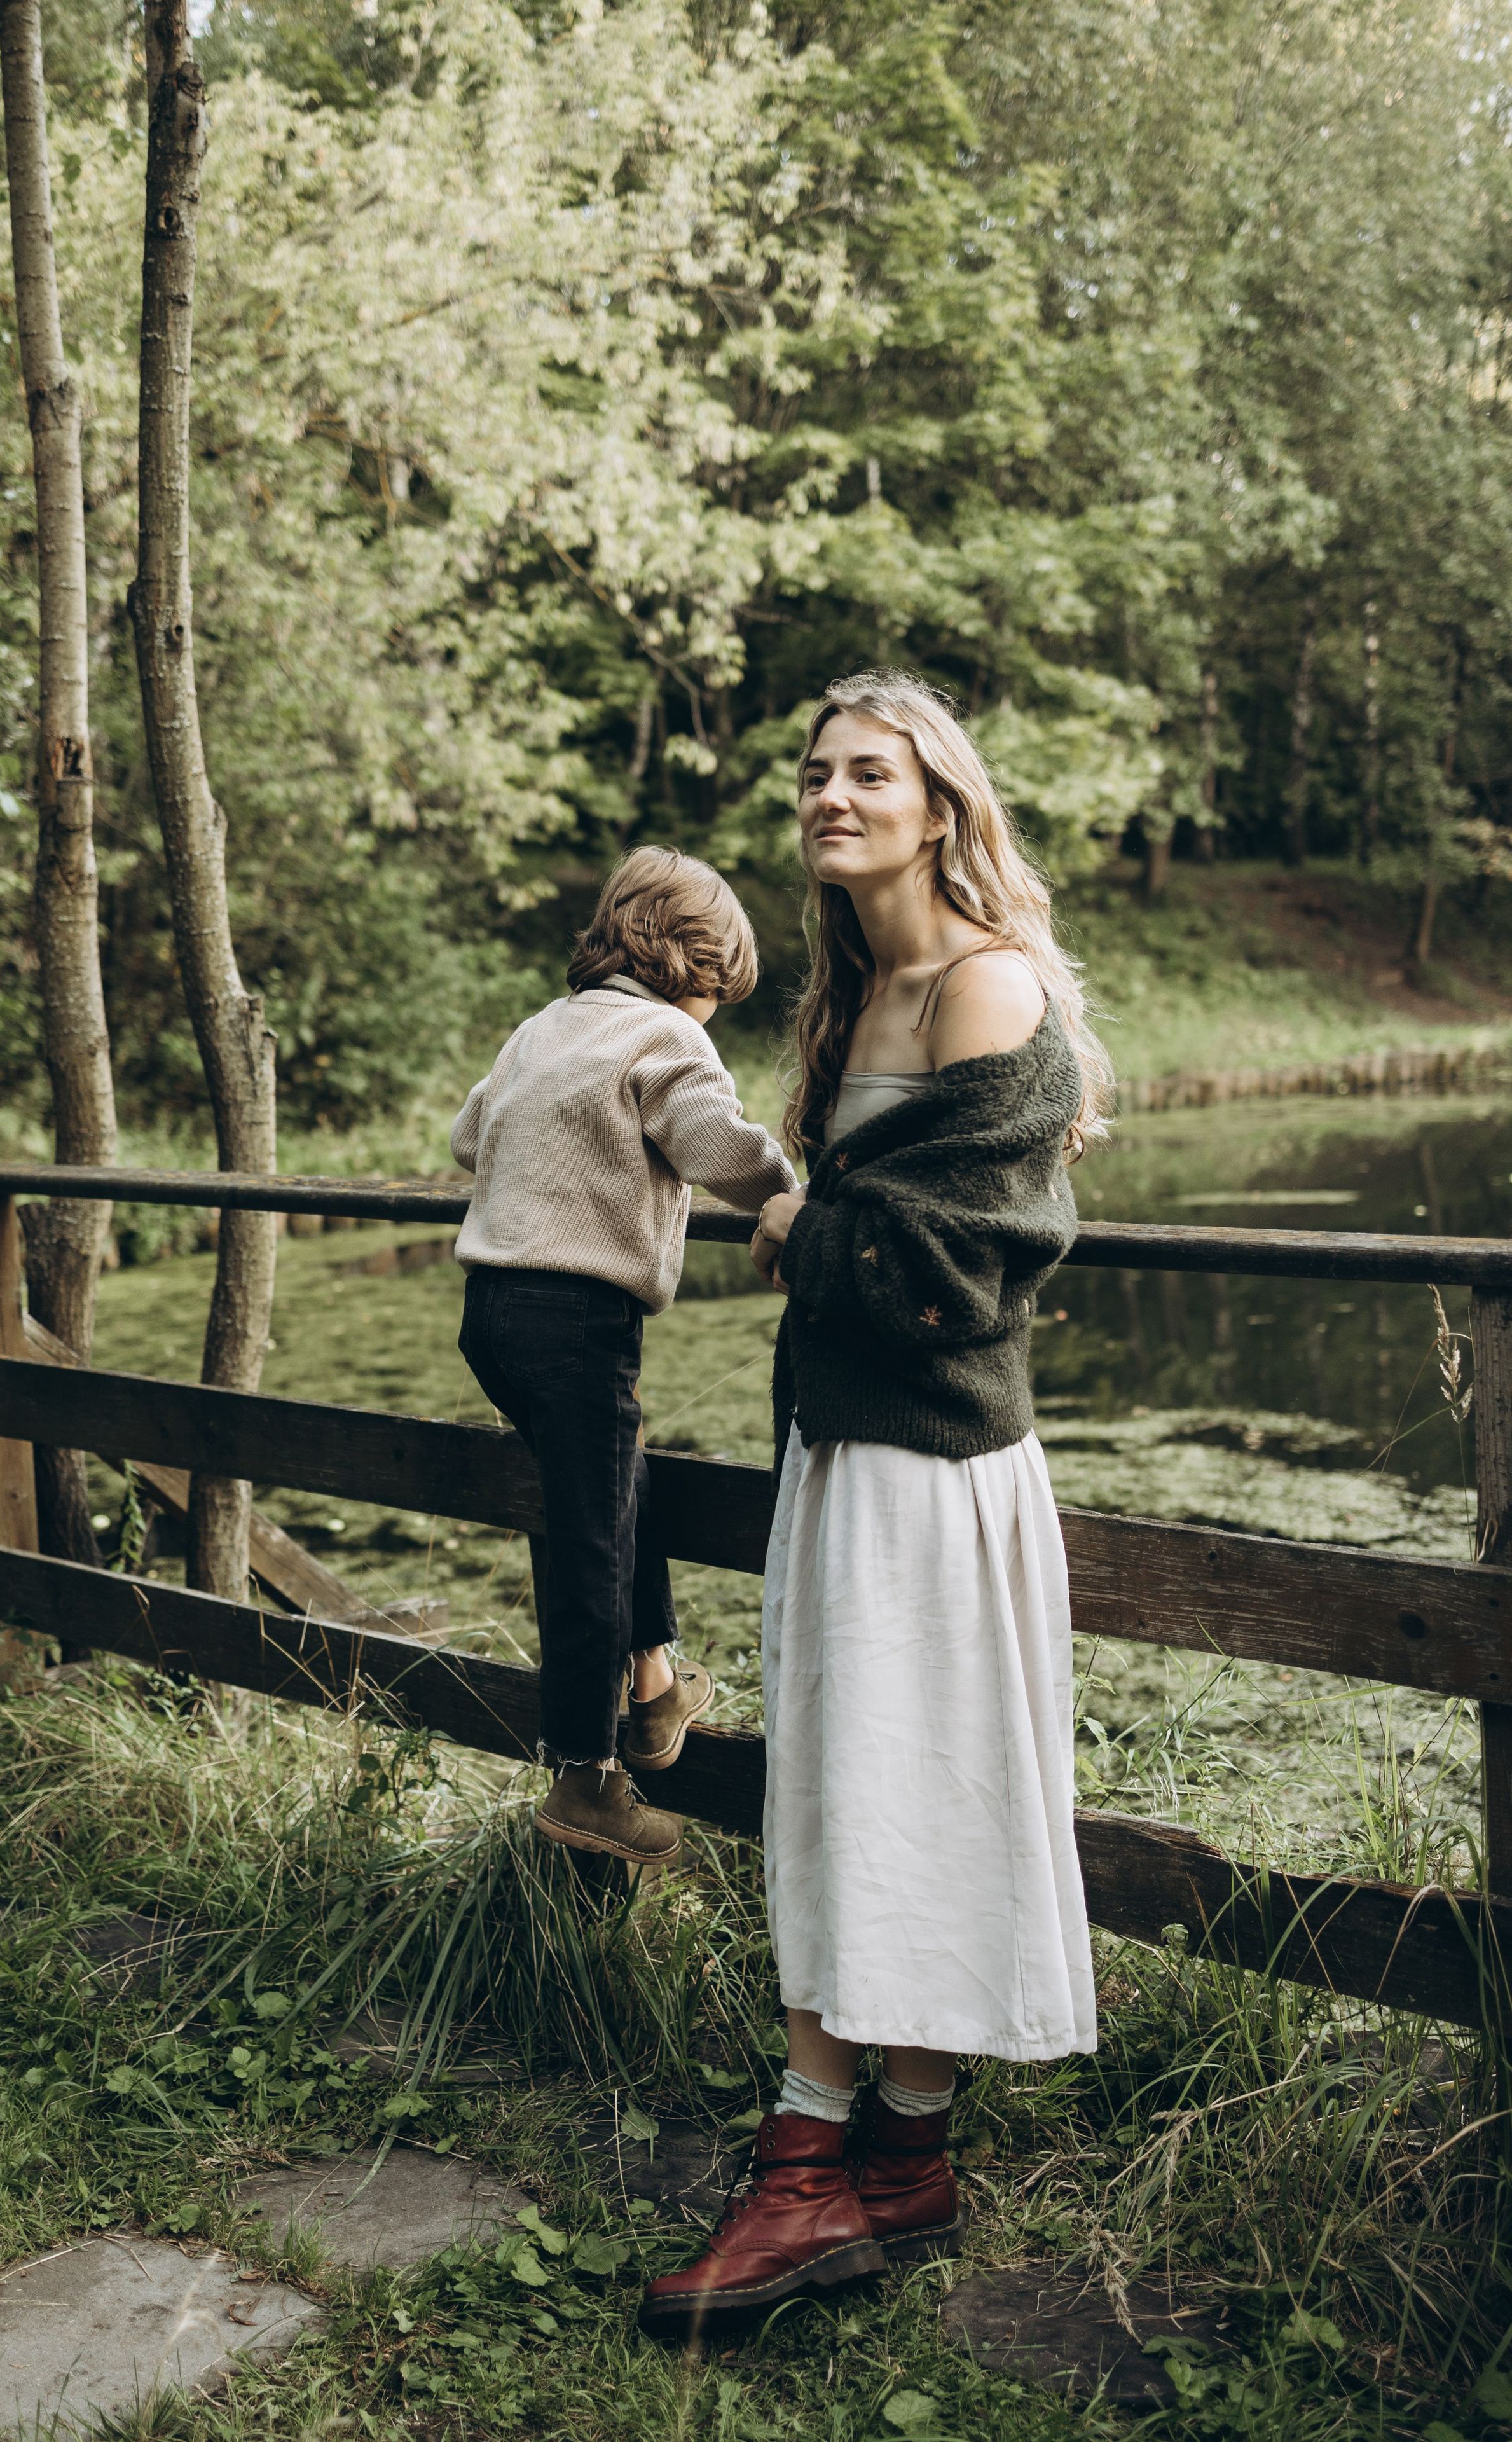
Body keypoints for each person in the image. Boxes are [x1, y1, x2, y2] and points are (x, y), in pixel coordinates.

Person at [641, 672, 1110, 2338]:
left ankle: (822, 2158)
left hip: (940, 1474)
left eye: (869, 773)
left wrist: (793, 1238)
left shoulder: (989, 991)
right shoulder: (856, 1001)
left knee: (907, 1794)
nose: (833, 796)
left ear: (939, 805)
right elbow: (880, 1243)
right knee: (849, 1794)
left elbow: (951, 1274)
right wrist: (817, 1239)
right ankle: (893, 2159)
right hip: (840, 1457)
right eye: (815, 773)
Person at [453, 846, 798, 1868]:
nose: (713, 1018)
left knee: (613, 1482)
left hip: (493, 1315)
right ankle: (584, 1776)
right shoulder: (663, 1036)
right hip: (579, 1320)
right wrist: (789, 1187)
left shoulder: (541, 1030)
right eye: (717, 996)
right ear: (692, 966)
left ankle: (654, 1691)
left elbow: (471, 1136)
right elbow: (716, 1146)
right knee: (590, 1535)